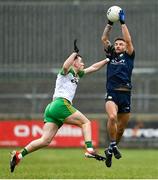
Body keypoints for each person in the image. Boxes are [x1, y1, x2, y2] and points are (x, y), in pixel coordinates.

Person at [10, 40, 109, 173]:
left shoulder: (77, 74)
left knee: (45, 140)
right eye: (81, 61)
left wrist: (107, 59)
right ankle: (90, 149)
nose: (83, 64)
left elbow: (93, 67)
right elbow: (65, 65)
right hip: (61, 104)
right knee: (86, 122)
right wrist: (74, 54)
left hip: (52, 108)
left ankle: (19, 155)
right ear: (74, 62)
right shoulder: (66, 72)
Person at [101, 9, 135, 167]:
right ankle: (113, 146)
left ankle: (110, 148)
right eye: (117, 44)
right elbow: (104, 38)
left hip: (126, 94)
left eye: (121, 44)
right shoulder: (111, 54)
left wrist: (123, 23)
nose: (119, 45)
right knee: (112, 117)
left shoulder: (129, 55)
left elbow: (129, 41)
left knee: (120, 130)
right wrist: (109, 23)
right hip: (112, 93)